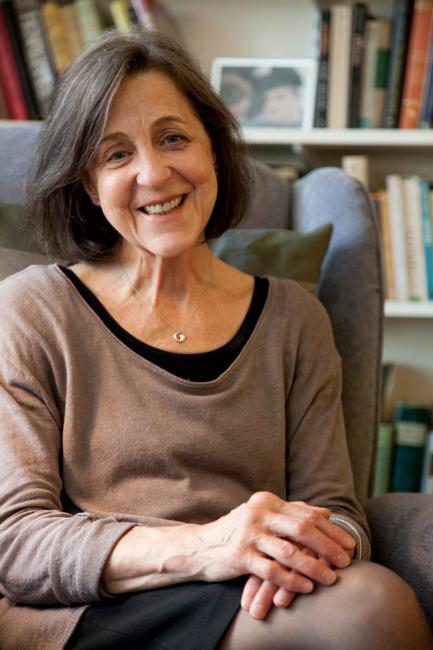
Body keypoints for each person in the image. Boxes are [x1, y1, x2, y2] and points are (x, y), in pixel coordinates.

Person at [0, 30, 431, 650]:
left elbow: (338, 510)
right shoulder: (32, 309)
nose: (154, 172)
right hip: (93, 607)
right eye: (116, 154)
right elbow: (15, 539)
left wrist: (303, 546)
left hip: (255, 597)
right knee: (370, 609)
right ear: (90, 186)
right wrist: (205, 547)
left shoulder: (294, 320)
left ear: (213, 151)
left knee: (364, 599)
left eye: (174, 137)